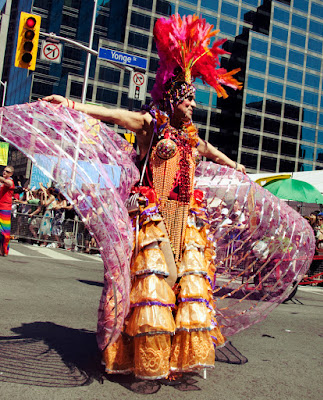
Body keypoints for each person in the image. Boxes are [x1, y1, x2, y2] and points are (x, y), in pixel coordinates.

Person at [41, 15, 246, 381]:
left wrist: (235, 164)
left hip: (184, 219)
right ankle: (137, 352)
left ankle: (169, 358)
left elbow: (212, 152)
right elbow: (114, 115)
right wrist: (70, 105)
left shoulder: (190, 137)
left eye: (194, 101)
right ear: (171, 98)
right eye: (188, 100)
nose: (193, 106)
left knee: (184, 286)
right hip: (152, 218)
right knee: (154, 282)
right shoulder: (152, 125)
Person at [0, 165, 15, 256]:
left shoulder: (10, 181)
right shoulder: (2, 184)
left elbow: (7, 182)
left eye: (7, 171)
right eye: (4, 170)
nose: (5, 172)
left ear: (11, 174)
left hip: (5, 209)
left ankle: (4, 250)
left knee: (4, 232)